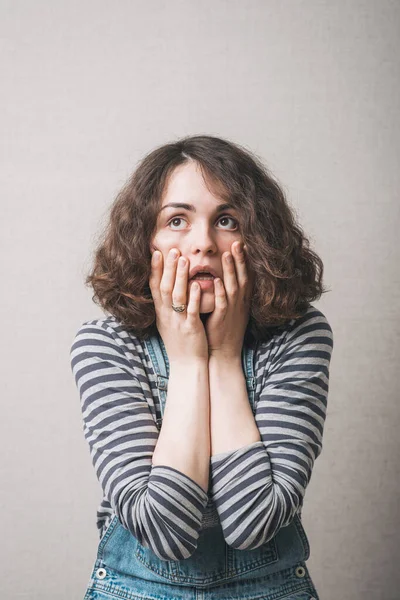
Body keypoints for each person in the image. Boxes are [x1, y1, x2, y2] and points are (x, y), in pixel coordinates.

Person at [70, 134, 334, 600]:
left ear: (257, 241)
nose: (204, 243)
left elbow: (254, 523)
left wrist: (225, 358)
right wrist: (191, 362)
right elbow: (165, 532)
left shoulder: (299, 336)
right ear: (145, 241)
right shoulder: (103, 345)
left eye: (227, 220)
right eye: (177, 220)